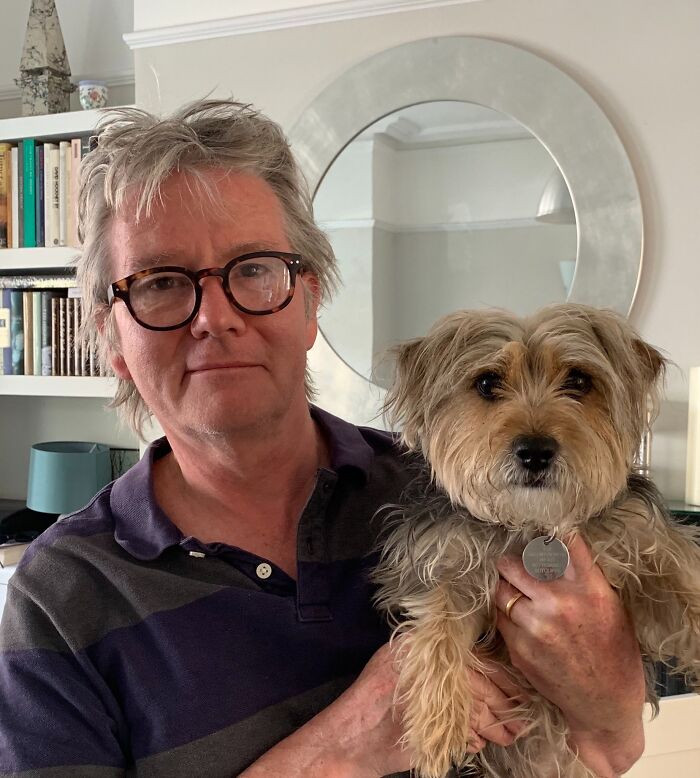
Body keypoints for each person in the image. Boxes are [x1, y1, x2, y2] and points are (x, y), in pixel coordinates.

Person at [0, 100, 646, 778]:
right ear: (111, 337)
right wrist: (341, 747)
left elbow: (612, 750)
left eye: (254, 269)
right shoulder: (60, 598)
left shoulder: (453, 488)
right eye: (160, 282)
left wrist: (606, 690)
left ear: (309, 302)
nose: (215, 317)